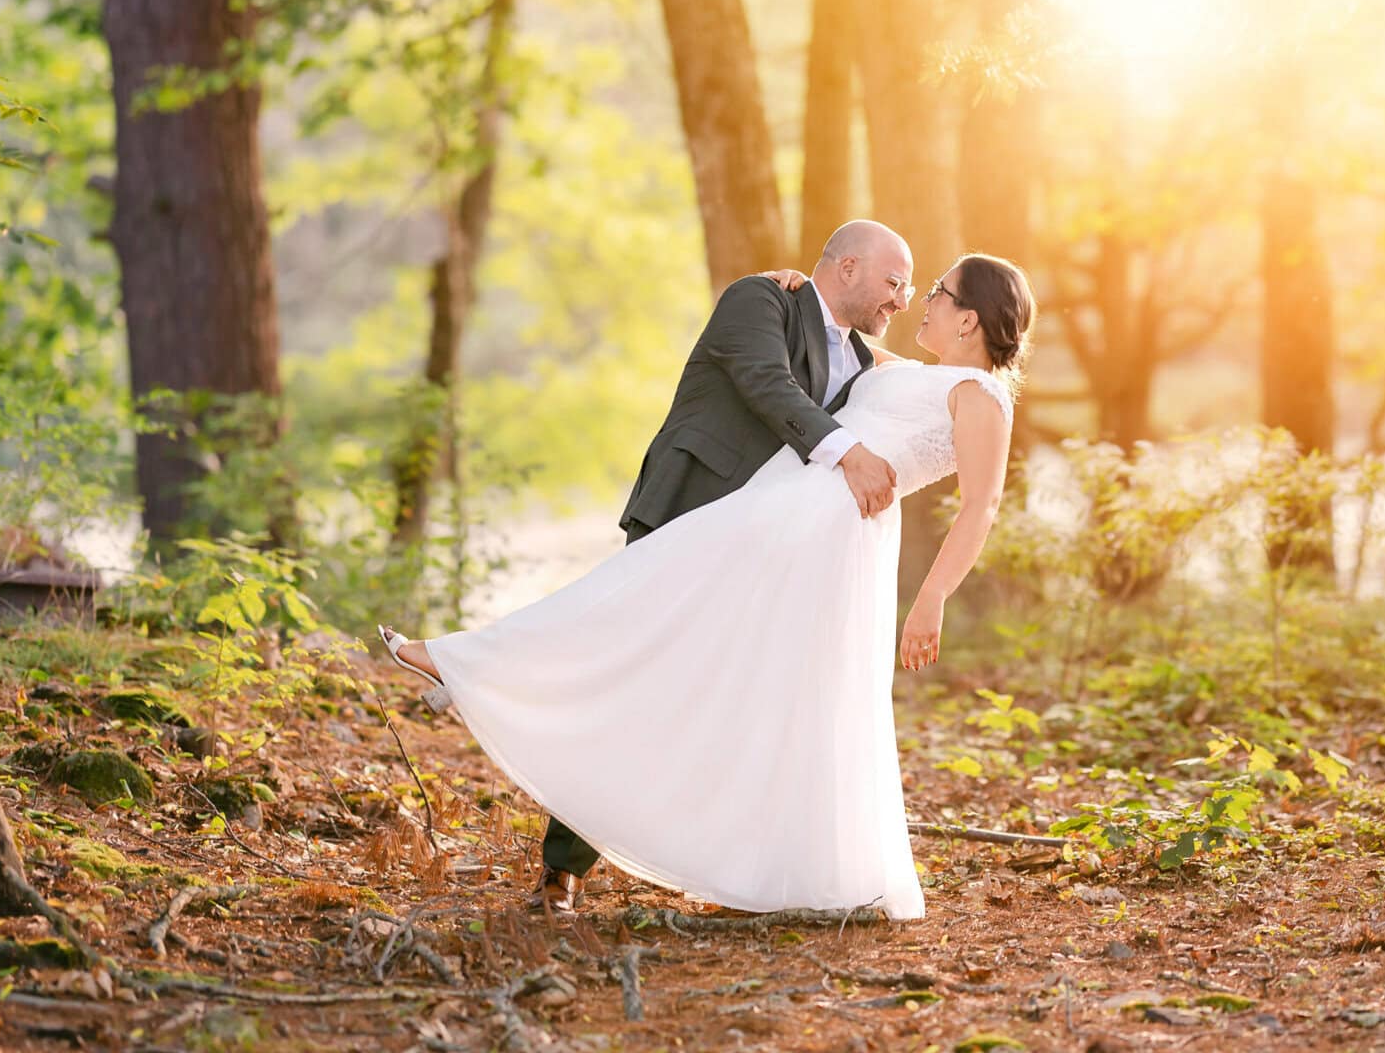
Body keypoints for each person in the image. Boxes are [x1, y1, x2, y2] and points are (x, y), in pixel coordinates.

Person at [380, 248, 1035, 921]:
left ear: (970, 319)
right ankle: (477, 667)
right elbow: (821, 349)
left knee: (679, 627)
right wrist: (794, 289)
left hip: (821, 535)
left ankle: (469, 663)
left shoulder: (980, 397)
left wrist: (931, 599)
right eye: (906, 285)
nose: (918, 300)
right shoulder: (897, 371)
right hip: (776, 512)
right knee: (650, 613)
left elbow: (981, 504)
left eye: (937, 291)